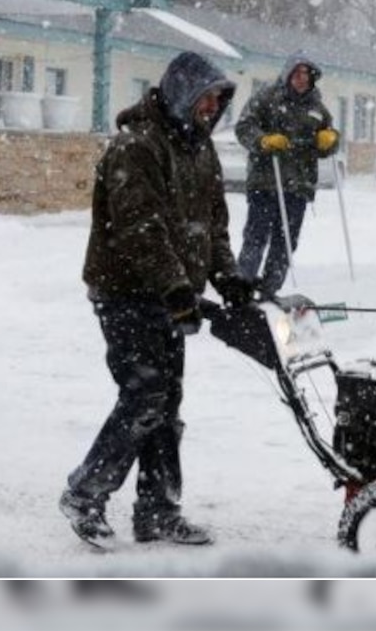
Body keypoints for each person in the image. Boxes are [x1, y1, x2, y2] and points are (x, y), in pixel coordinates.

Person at [60, 52, 255, 549]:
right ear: (182, 92)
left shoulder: (199, 148)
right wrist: (175, 288)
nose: (213, 106)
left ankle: (158, 512)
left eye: (218, 98)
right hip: (125, 291)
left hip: (172, 295)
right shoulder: (136, 147)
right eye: (206, 96)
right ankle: (86, 493)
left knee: (166, 401)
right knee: (146, 394)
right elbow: (139, 230)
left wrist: (227, 277)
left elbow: (212, 224)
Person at [235, 53, 338, 298]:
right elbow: (244, 127)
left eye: (307, 75)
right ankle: (241, 289)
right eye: (297, 73)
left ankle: (270, 290)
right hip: (266, 181)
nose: (302, 79)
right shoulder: (267, 98)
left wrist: (330, 140)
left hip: (299, 186)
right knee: (256, 237)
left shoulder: (317, 109)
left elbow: (329, 141)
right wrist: (262, 140)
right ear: (288, 74)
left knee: (286, 242)